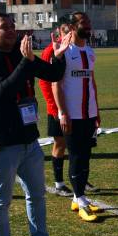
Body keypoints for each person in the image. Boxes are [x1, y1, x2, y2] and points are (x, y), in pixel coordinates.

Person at [0, 13, 71, 236]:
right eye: (4, 27)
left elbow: (51, 74)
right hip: (2, 143)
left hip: (29, 140)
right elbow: (3, 89)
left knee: (37, 195)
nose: (12, 31)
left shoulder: (21, 55)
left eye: (13, 26)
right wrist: (26, 63)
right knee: (1, 201)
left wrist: (59, 55)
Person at [53, 12, 101, 222]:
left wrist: (96, 110)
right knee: (76, 155)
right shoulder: (64, 52)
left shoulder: (90, 52)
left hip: (88, 114)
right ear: (72, 27)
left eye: (89, 22)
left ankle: (78, 197)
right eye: (84, 23)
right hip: (71, 116)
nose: (89, 26)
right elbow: (56, 84)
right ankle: (80, 198)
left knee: (86, 156)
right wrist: (62, 112)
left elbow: (91, 82)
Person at [39, 22, 73, 196]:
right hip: (58, 109)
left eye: (71, 32)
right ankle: (59, 183)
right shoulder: (51, 51)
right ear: (60, 32)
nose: (69, 35)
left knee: (77, 145)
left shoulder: (77, 50)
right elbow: (45, 81)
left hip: (75, 108)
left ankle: (79, 178)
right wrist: (55, 108)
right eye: (66, 32)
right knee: (60, 142)